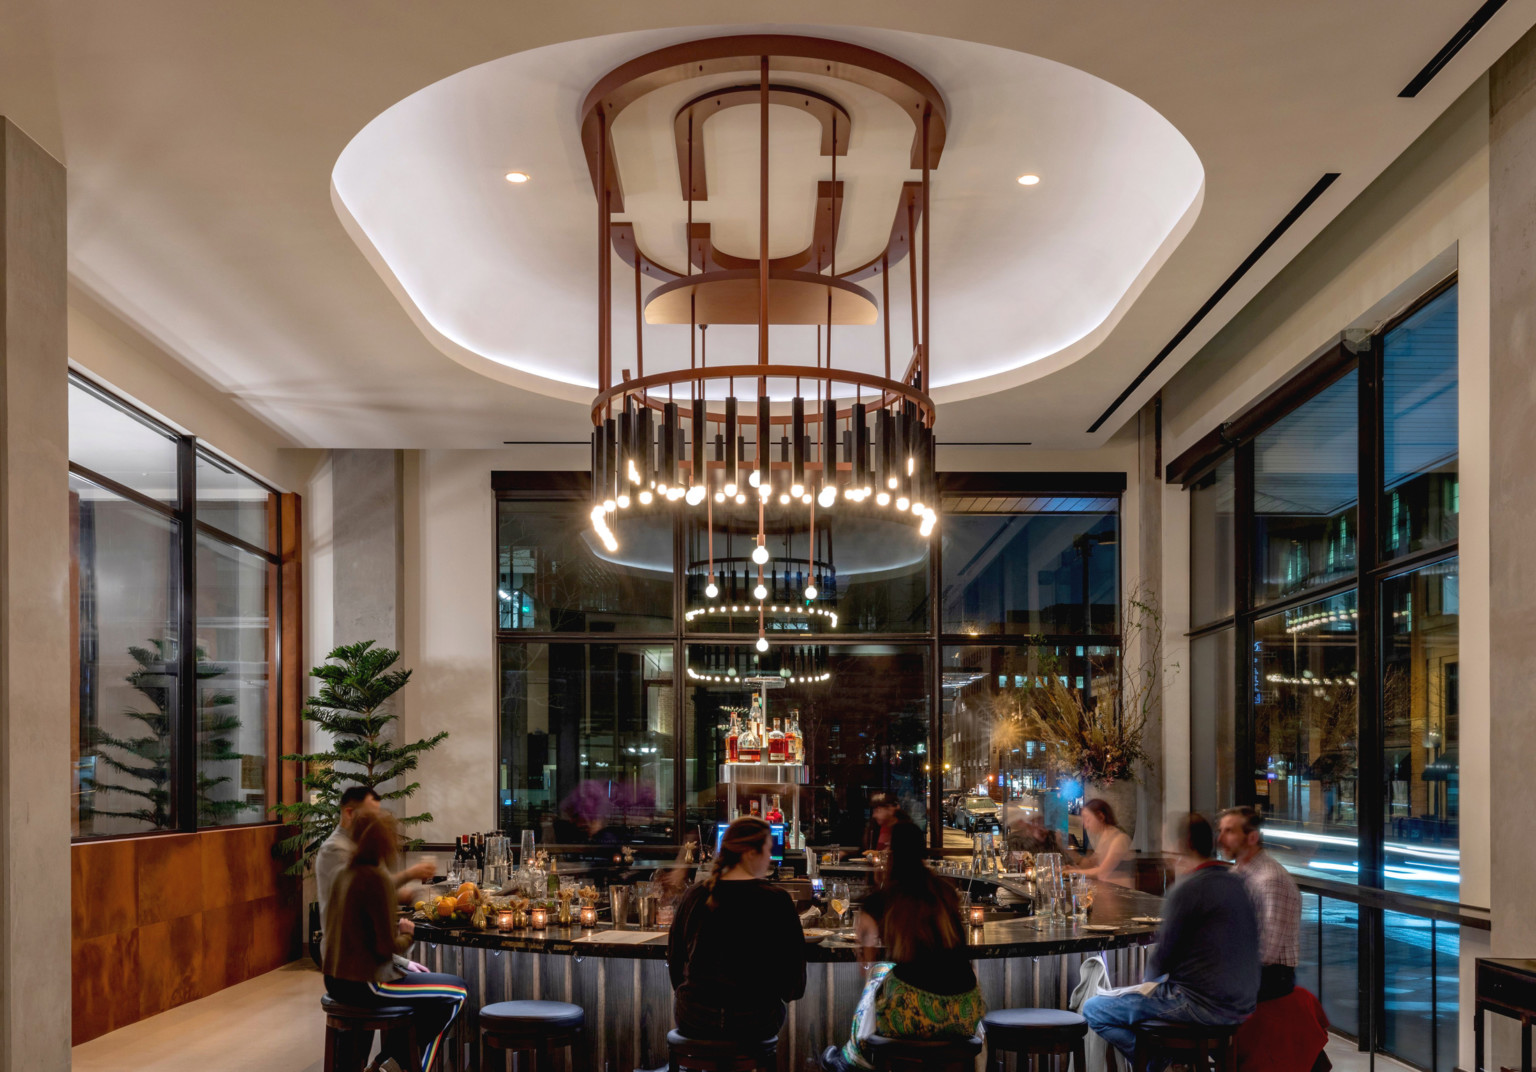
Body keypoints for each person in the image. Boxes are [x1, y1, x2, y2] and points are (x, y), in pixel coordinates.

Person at [1082, 813, 1258, 1062]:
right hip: (1242, 1006)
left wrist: (1144, 988)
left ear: (1183, 844)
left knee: (1094, 1008)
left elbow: (1161, 959)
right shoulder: (1237, 883)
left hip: (1200, 1006)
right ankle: (1161, 1060)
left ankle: (1157, 1063)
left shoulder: (1189, 888)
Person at [823, 821, 986, 1071]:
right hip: (966, 1012)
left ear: (893, 854)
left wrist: (870, 964)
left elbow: (865, 963)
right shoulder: (945, 891)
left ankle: (851, 1060)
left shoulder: (884, 898)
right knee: (886, 978)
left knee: (879, 976)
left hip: (914, 1012)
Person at [322, 811, 467, 1072]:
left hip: (335, 979)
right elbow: (385, 948)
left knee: (432, 1000)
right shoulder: (373, 878)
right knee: (457, 992)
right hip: (366, 983)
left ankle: (387, 1062)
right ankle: (400, 1065)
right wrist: (407, 934)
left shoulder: (344, 872)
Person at [668, 817, 807, 1042]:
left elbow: (675, 964)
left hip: (695, 1019)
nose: (770, 858)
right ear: (750, 853)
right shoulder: (776, 900)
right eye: (768, 851)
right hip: (754, 1022)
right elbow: (793, 987)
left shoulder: (694, 895)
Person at [315, 785, 436, 935]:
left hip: (372, 945)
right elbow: (369, 889)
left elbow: (381, 888)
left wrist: (412, 895)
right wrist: (410, 874)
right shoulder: (333, 849)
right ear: (349, 813)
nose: (376, 823)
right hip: (347, 949)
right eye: (370, 817)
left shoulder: (365, 846)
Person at [1218, 806, 1300, 1001]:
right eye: (1220, 831)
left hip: (1271, 976)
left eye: (1229, 831)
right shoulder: (1238, 872)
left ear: (1252, 838)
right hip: (1246, 967)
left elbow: (1266, 952)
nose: (1220, 839)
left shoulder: (1270, 879)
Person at [1065, 798, 1132, 886]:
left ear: (1101, 816)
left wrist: (1073, 872)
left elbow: (1102, 871)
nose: (1085, 826)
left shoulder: (1120, 838)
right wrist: (1073, 867)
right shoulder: (1104, 837)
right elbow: (1091, 863)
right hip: (1108, 890)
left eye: (1087, 820)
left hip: (1122, 894)